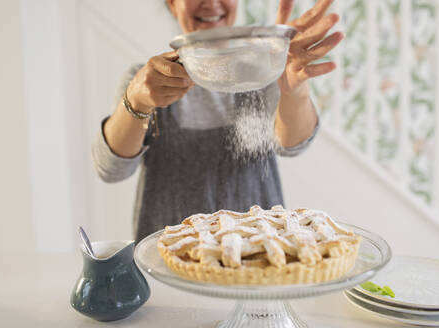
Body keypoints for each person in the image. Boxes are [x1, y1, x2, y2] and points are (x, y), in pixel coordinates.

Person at [92, 0, 343, 243]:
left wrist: (294, 91)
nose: (211, 3)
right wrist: (135, 102)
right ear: (172, 4)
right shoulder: (146, 83)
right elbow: (111, 169)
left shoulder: (264, 70)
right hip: (169, 264)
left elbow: (292, 144)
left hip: (260, 259)